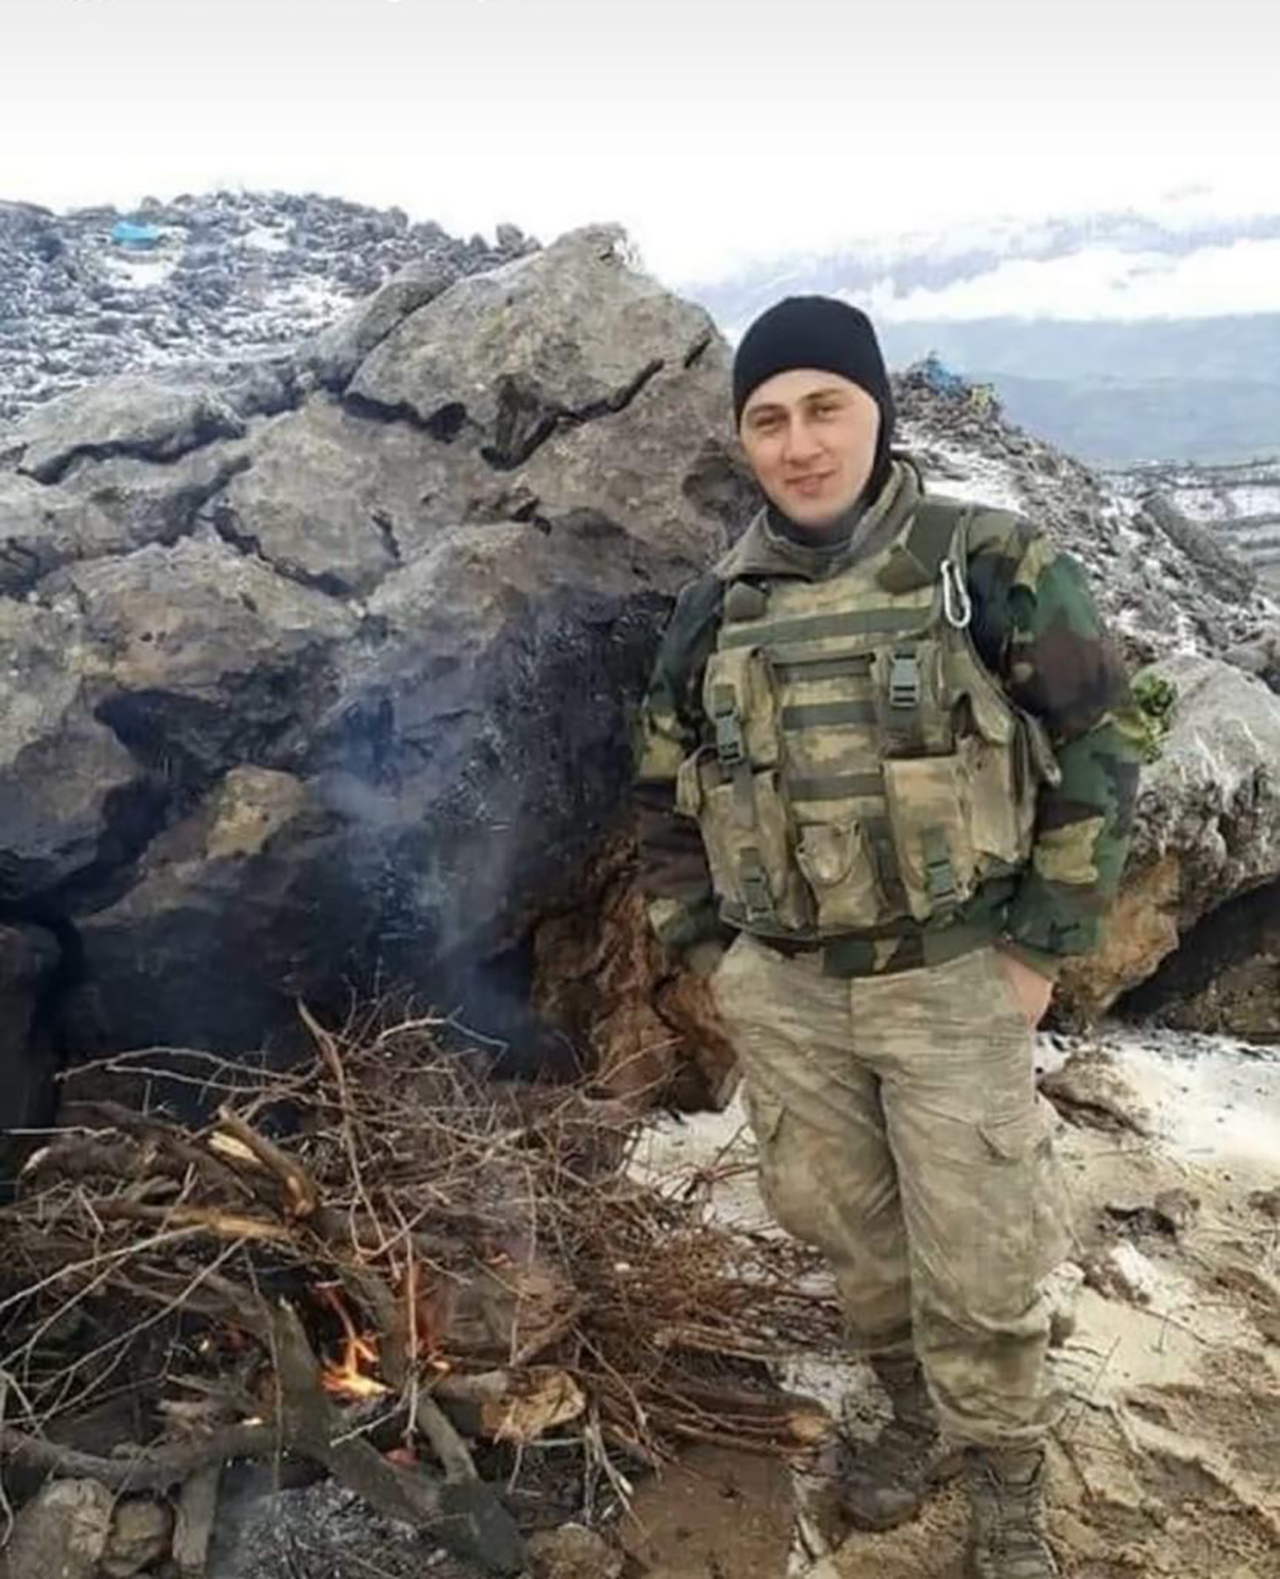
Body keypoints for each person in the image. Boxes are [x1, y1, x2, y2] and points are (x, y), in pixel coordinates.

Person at [631, 297, 1142, 1579]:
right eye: (766, 419)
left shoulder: (988, 564)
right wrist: (712, 956)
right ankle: (913, 1416)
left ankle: (1007, 1477)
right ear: (742, 439)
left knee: (979, 1253)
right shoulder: (714, 608)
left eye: (824, 407)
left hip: (951, 980)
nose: (797, 443)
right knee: (852, 1238)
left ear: (875, 411)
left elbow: (1099, 740)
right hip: (791, 994)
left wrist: (1036, 947)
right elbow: (658, 793)